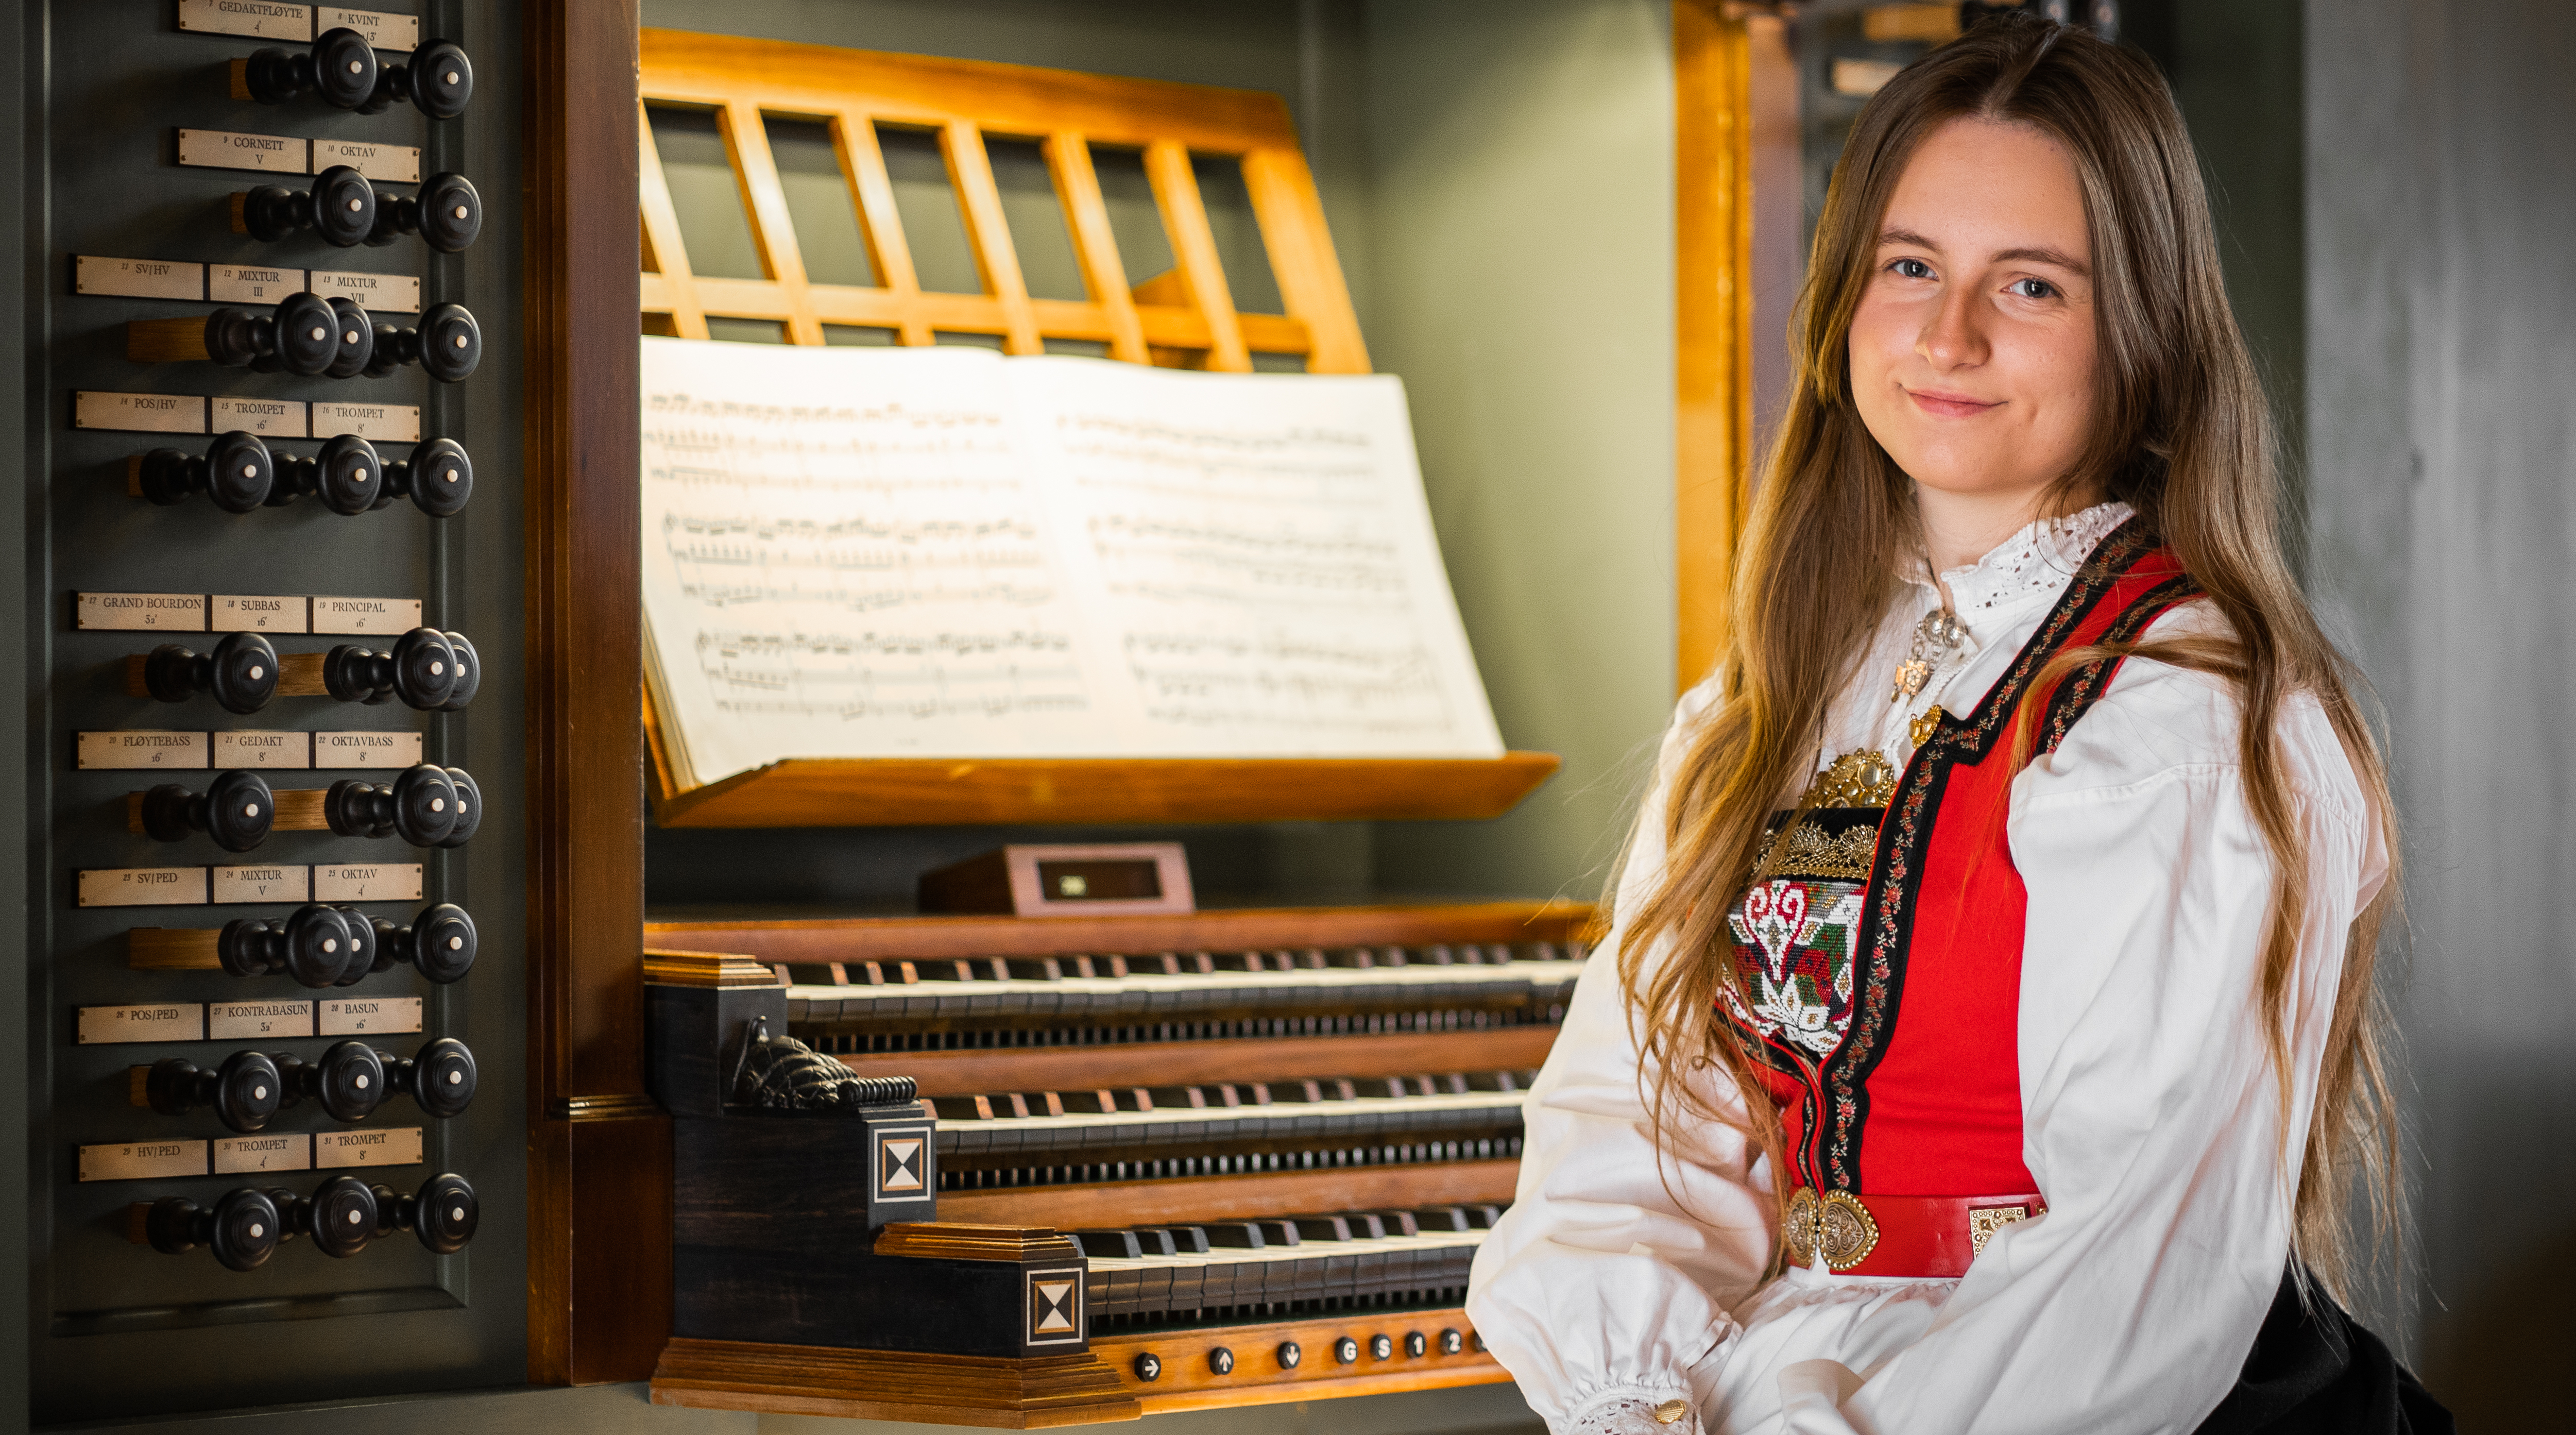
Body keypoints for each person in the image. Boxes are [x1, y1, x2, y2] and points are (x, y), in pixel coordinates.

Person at [1464, 16, 2448, 1435]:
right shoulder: (1769, 698)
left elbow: (2117, 1276)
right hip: (1792, 1376)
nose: (1948, 337)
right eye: (1910, 266)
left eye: (2030, 285)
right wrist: (1633, 1404)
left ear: (2144, 331)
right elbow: (1634, 1139)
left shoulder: (2189, 719)